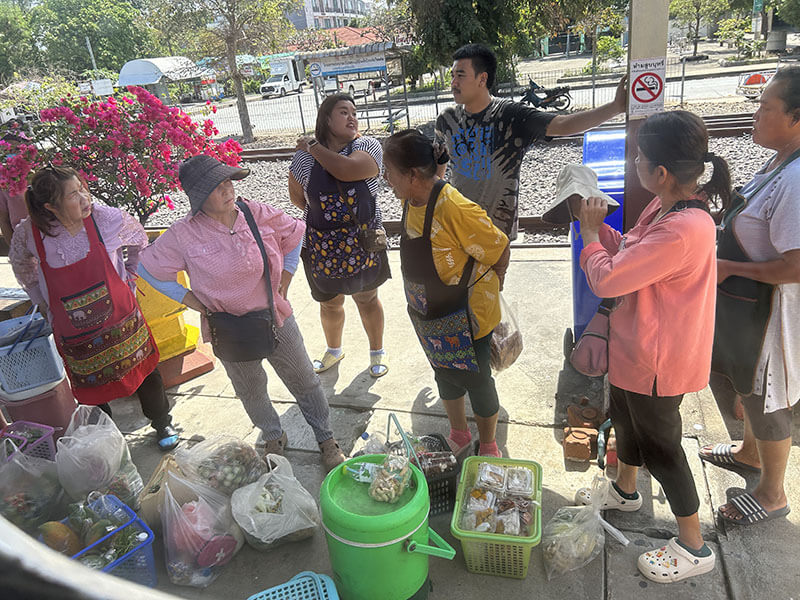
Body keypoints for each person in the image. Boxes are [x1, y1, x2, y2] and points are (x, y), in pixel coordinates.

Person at [573, 111, 731, 583]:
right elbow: (631, 253)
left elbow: (608, 277)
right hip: (636, 348)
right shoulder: (665, 206)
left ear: (660, 172)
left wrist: (586, 238)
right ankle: (625, 491)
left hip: (657, 360)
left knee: (663, 448)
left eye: (639, 157)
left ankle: (693, 544)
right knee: (626, 423)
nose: (634, 162)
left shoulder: (684, 227)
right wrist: (602, 231)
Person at [138, 155, 346, 471]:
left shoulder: (256, 213)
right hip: (229, 328)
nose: (228, 190)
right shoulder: (183, 234)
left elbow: (295, 233)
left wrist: (285, 281)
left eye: (228, 182)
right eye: (217, 186)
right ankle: (273, 436)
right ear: (198, 197)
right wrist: (194, 302)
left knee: (304, 380)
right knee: (250, 390)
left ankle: (326, 439)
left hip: (275, 316)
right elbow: (148, 267)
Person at [9, 165, 179, 450]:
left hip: (121, 318)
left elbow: (138, 238)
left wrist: (130, 275)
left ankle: (162, 422)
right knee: (92, 389)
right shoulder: (30, 233)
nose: (85, 198)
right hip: (75, 333)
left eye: (82, 189)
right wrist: (39, 299)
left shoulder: (105, 218)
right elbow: (19, 263)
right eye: (73, 195)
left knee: (145, 370)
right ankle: (110, 438)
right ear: (51, 206)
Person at [698, 67, 800, 526]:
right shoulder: (779, 161)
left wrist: (729, 268)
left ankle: (773, 493)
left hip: (772, 311)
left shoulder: (798, 181)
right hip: (746, 306)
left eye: (766, 106)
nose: (755, 114)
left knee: (768, 394)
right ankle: (748, 453)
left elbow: (796, 266)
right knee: (747, 382)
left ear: (797, 117)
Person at [383, 130, 510, 458]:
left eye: (389, 171)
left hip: (467, 316)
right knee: (445, 374)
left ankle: (489, 445)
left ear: (411, 174)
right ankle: (458, 433)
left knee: (478, 381)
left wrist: (496, 285)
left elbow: (499, 247)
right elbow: (431, 177)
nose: (386, 179)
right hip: (430, 316)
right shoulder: (411, 197)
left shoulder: (454, 207)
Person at [435, 43, 627, 240]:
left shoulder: (511, 115)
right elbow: (438, 168)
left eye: (460, 75)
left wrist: (614, 107)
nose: (453, 83)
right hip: (457, 228)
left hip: (496, 233)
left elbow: (562, 124)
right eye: (452, 76)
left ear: (482, 78)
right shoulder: (446, 120)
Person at [289, 93, 390, 377]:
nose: (352, 117)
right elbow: (298, 197)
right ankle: (334, 350)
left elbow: (349, 170)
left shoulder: (367, 146)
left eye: (354, 112)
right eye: (344, 112)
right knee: (330, 303)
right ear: (326, 119)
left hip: (363, 243)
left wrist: (312, 146)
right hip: (321, 246)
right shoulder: (302, 161)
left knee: (367, 299)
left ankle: (377, 352)